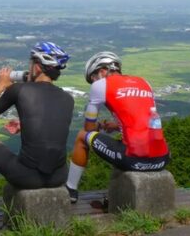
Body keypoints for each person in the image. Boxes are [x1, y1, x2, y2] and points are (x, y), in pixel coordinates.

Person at [0, 41, 75, 218]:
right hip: (59, 175)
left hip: (26, 176)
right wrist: (24, 124)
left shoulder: (18, 90)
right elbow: (51, 125)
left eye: (31, 62)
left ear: (37, 66)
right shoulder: (68, 98)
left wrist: (1, 85)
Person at [65, 51, 170, 205]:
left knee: (82, 136)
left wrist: (99, 126)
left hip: (134, 160)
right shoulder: (144, 82)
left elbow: (89, 127)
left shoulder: (101, 85)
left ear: (102, 71)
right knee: (121, 143)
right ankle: (117, 195)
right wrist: (116, 125)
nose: (93, 83)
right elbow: (146, 119)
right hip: (162, 158)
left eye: (93, 78)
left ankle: (70, 190)